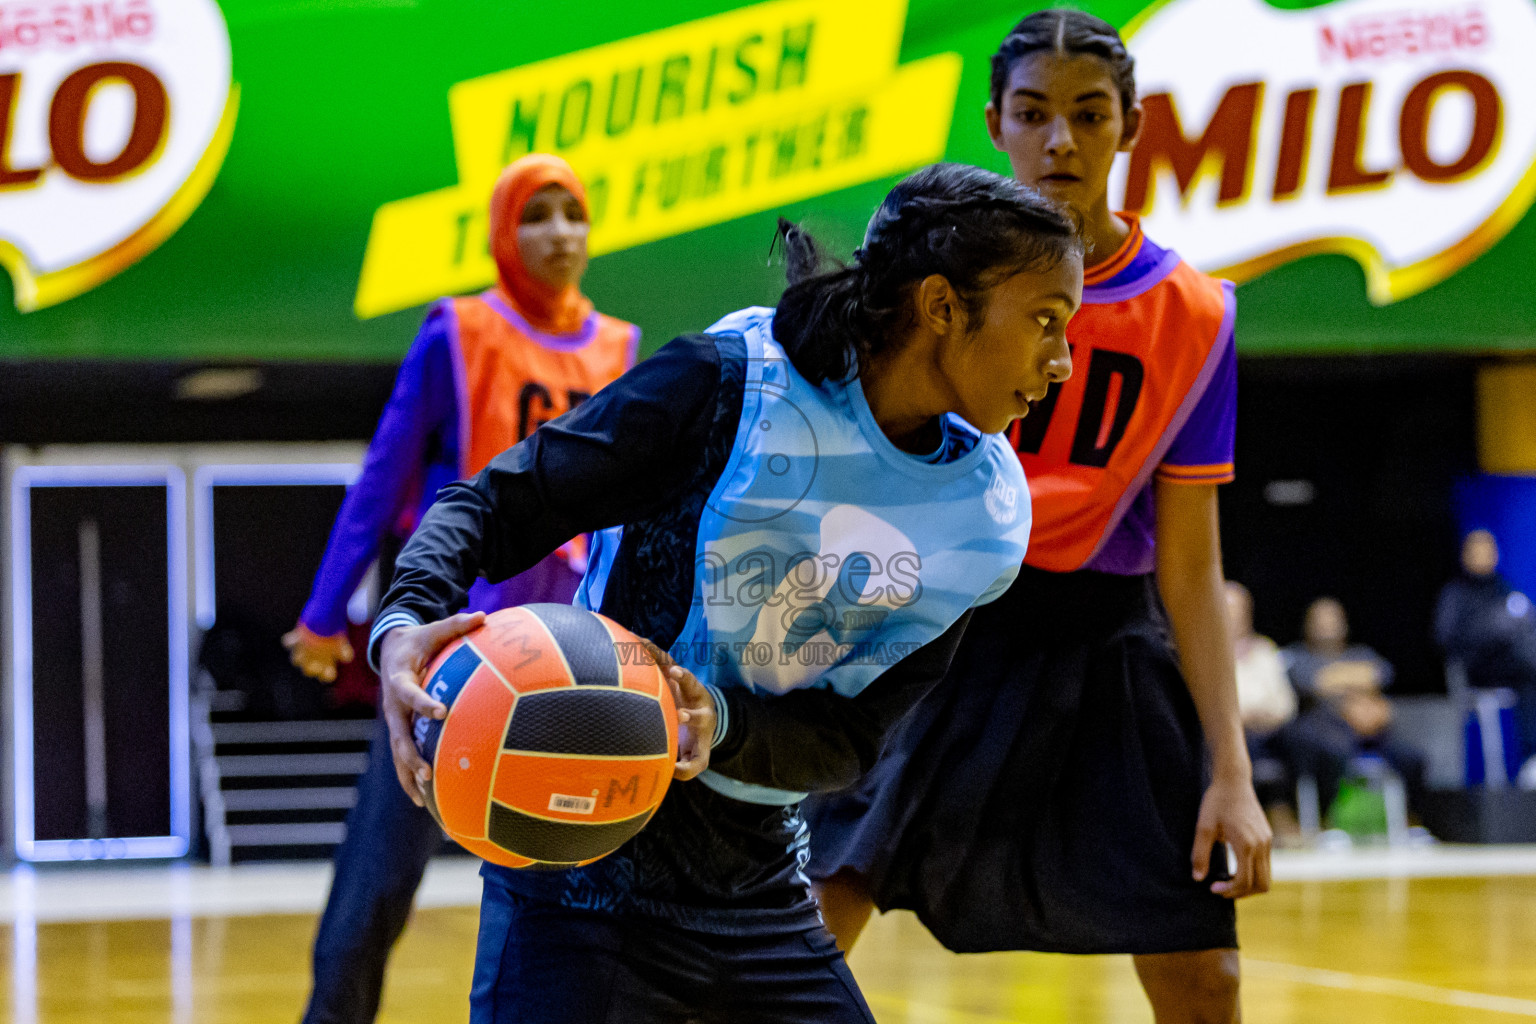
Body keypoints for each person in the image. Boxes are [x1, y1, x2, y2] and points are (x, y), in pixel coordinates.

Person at [369, 163, 1081, 1023]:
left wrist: (725, 721)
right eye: (1045, 321)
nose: (1062, 361)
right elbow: (496, 503)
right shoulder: (731, 380)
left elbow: (853, 739)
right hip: (579, 889)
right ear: (941, 306)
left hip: (759, 897)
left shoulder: (987, 519)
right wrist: (403, 621)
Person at [804, 13, 1270, 1024]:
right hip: (939, 625)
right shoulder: (939, 290)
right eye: (1034, 113)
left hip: (1102, 640)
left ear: (1131, 126)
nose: (1061, 139)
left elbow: (1190, 563)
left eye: (1088, 114)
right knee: (807, 913)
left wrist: (1231, 771)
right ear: (996, 124)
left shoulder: (1194, 314)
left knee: (1205, 975)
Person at [285, 154, 640, 1024]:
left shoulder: (619, 346)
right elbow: (383, 477)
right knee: (382, 867)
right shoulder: (457, 329)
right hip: (454, 642)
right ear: (501, 232)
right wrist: (325, 614)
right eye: (538, 215)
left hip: (572, 645)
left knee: (570, 867)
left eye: (574, 213)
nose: (560, 233)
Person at [1281, 597, 1427, 815]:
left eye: (1333, 620)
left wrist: (1336, 681)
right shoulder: (1298, 656)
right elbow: (1314, 682)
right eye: (1320, 620)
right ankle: (1330, 820)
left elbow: (1380, 674)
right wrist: (1354, 681)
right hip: (1322, 730)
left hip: (1368, 731)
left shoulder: (1361, 653)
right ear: (1308, 625)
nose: (1327, 626)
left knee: (1412, 758)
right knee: (1334, 753)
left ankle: (1410, 819)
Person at [1434, 529, 1536, 772]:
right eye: (1477, 550)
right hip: (1479, 674)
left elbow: (1526, 624)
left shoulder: (1507, 590)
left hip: (1519, 674)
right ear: (1465, 555)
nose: (1484, 555)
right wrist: (1493, 629)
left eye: (1489, 549)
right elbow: (1445, 638)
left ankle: (1530, 761)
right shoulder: (1455, 595)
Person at [1225, 581, 1300, 838]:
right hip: (1228, 733)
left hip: (1270, 731)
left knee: (1302, 739)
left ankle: (1294, 816)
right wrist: (1241, 716)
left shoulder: (1265, 650)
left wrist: (1265, 716)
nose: (1235, 618)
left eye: (1239, 611)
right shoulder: (1206, 653)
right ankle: (1264, 815)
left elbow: (1285, 703)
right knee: (1243, 743)